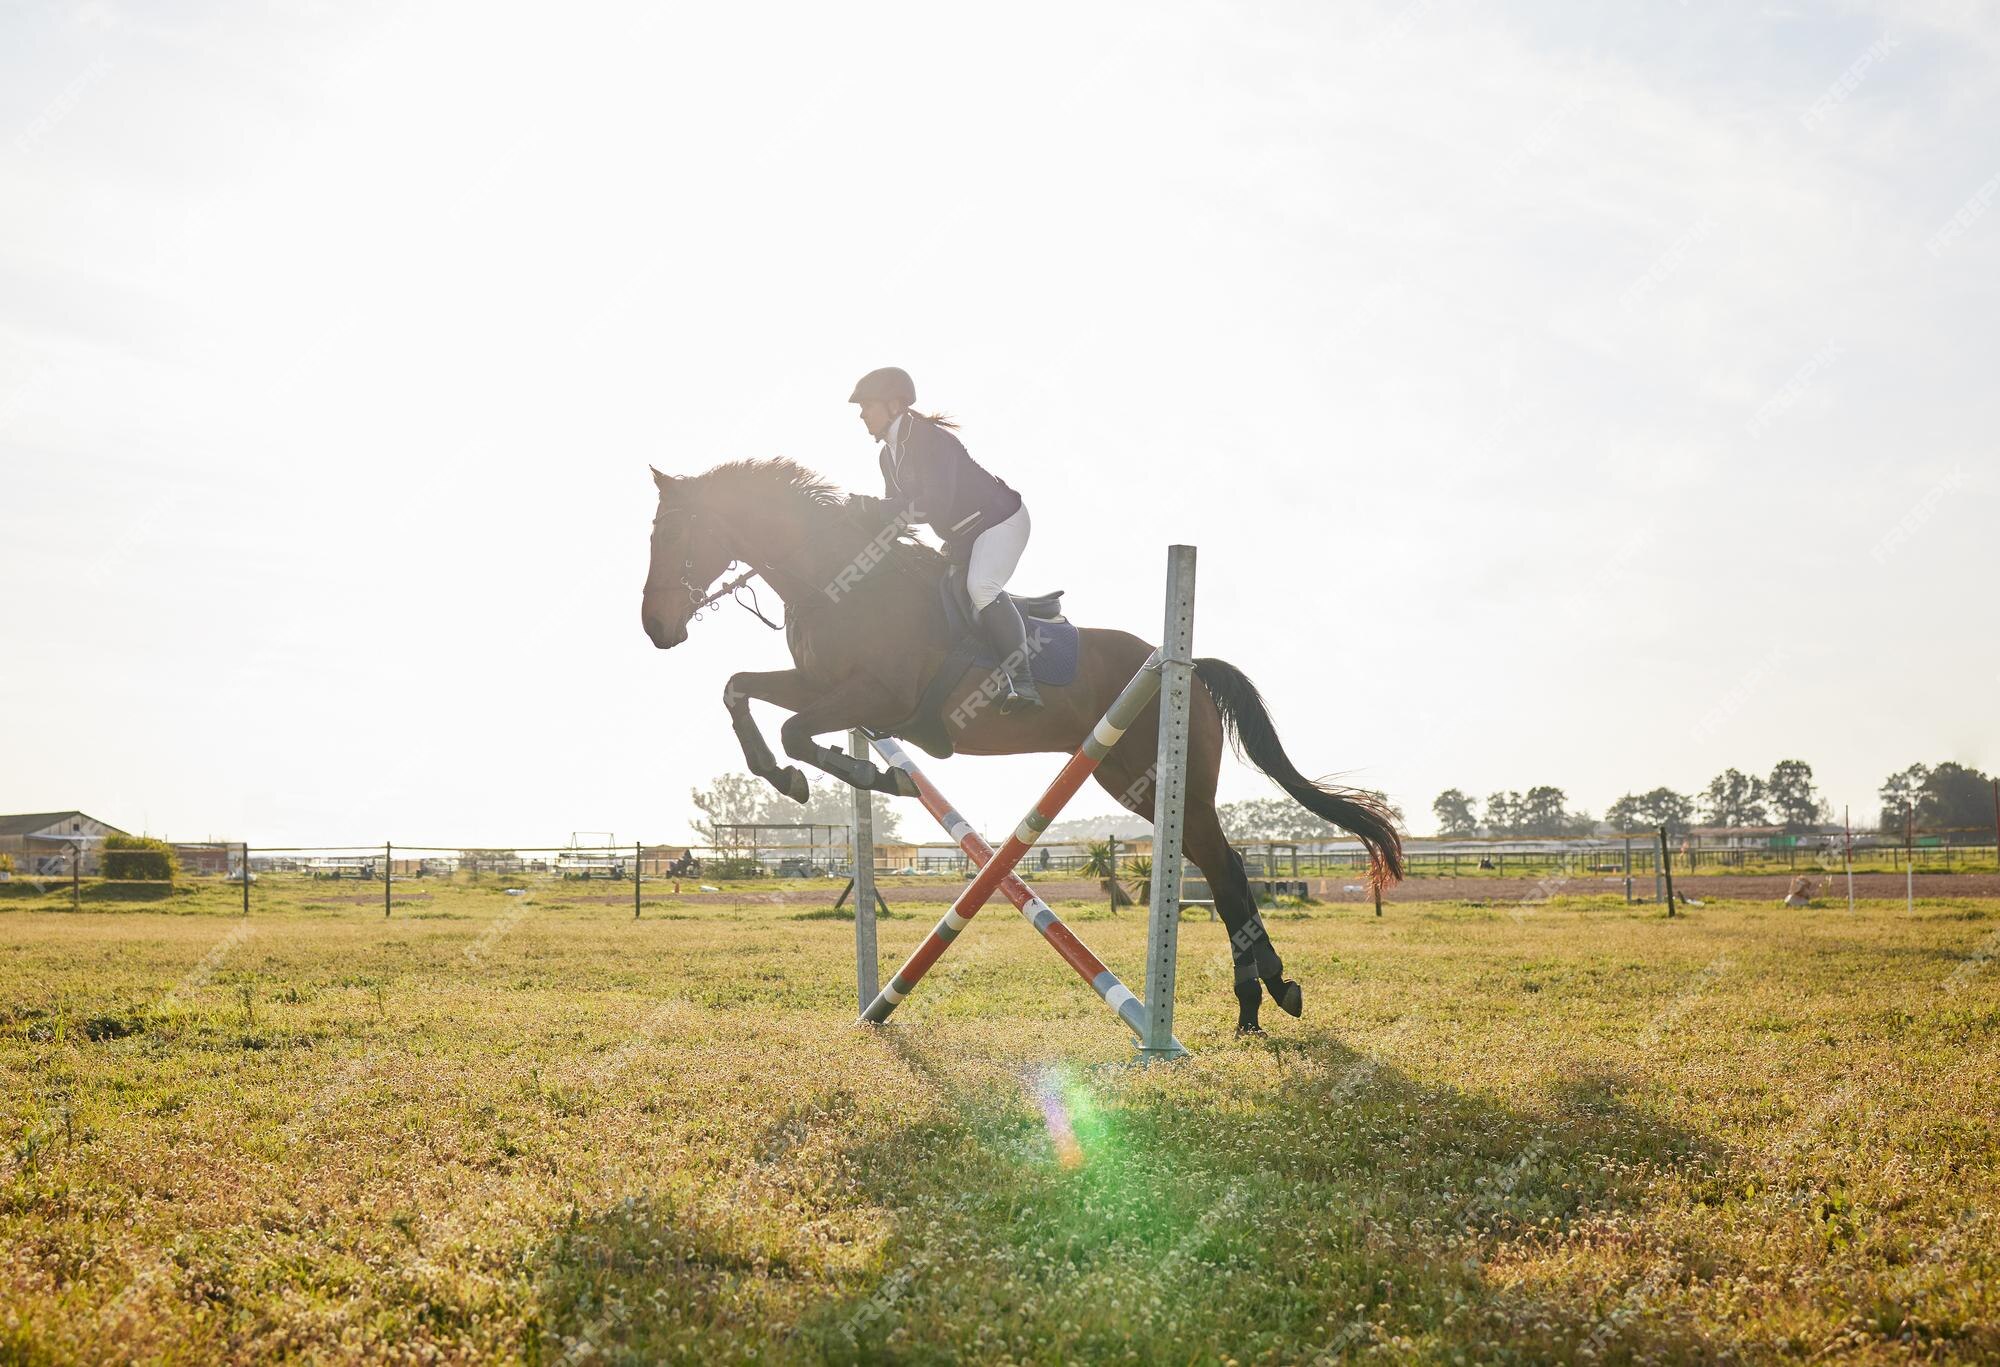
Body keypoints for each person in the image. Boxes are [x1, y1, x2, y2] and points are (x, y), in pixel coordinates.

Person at [849, 366, 1041, 713]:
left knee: (981, 587)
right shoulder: (887, 456)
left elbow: (931, 506)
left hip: (1000, 521)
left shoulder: (928, 439)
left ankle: (1023, 682)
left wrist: (875, 509)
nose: (862, 414)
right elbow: (901, 514)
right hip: (964, 536)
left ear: (894, 405)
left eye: (867, 405)